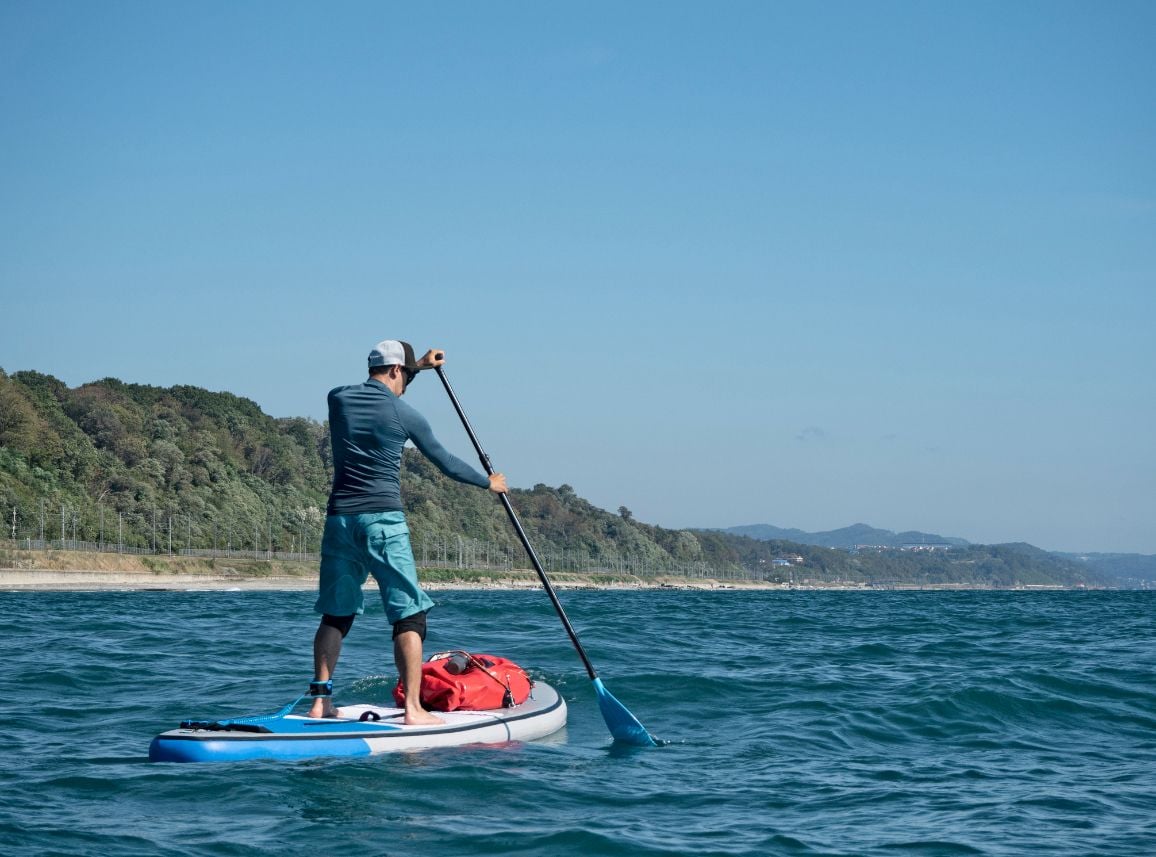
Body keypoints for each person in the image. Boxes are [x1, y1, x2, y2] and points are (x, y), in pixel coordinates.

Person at [308, 340, 507, 724]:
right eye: (406, 376)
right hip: (382, 521)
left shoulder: (338, 399)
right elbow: (445, 462)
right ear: (398, 372)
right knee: (409, 617)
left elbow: (389, 376)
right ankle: (414, 710)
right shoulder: (405, 414)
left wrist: (417, 365)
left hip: (339, 521)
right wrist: (489, 483)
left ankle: (320, 703)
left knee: (336, 616)